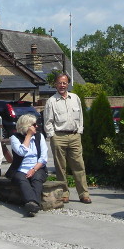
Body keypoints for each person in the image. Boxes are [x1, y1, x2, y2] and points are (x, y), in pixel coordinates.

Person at [44, 72, 91, 204]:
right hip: (59, 136)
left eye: (64, 83)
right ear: (55, 84)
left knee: (79, 165)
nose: (62, 85)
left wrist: (79, 131)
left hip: (74, 135)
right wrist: (52, 136)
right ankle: (64, 193)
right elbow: (48, 121)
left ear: (68, 84)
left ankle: (84, 194)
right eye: (59, 83)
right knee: (60, 167)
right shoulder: (51, 101)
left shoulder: (75, 98)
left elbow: (81, 115)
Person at [8, 113, 48, 217]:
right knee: (21, 179)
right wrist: (29, 136)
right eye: (34, 125)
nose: (37, 126)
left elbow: (43, 158)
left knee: (37, 177)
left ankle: (32, 204)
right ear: (27, 126)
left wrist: (34, 170)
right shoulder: (14, 138)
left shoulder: (40, 137)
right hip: (20, 169)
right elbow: (21, 152)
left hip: (37, 167)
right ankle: (33, 203)